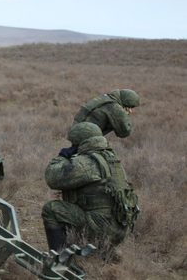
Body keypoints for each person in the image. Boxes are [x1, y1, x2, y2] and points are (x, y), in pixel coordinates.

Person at [42, 122, 139, 252]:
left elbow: (52, 178)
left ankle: (58, 259)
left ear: (79, 143)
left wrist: (62, 157)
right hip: (121, 228)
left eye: (73, 144)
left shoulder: (88, 162)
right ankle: (103, 253)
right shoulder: (111, 159)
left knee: (51, 209)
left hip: (102, 226)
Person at [72, 89, 140, 138]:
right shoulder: (115, 106)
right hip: (85, 135)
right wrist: (125, 114)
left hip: (77, 131)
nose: (131, 111)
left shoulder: (107, 98)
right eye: (130, 107)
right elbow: (125, 132)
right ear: (126, 103)